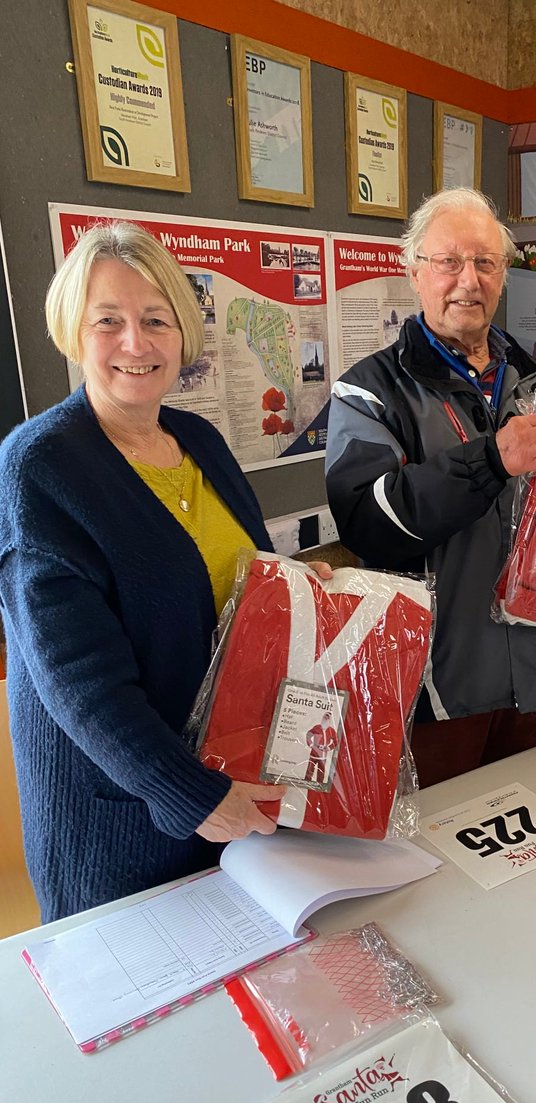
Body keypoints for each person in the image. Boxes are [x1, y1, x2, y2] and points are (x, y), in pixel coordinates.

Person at [0, 221, 329, 922]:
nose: (136, 344)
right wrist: (187, 792)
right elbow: (78, 681)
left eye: (156, 320)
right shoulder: (40, 466)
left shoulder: (199, 439)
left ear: (183, 330)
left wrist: (302, 595)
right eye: (108, 321)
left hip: (229, 788)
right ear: (72, 331)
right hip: (123, 819)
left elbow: (241, 579)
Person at [324, 187, 536, 787]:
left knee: (528, 842)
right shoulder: (368, 391)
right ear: (413, 272)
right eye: (448, 262)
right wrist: (492, 458)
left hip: (533, 673)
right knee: (440, 857)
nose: (468, 279)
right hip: (433, 687)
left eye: (485, 262)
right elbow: (372, 524)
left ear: (503, 275)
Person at [305, 710, 338, 784]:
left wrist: (329, 747)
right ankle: (306, 784)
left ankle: (319, 787)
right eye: (325, 717)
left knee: (321, 774)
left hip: (323, 756)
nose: (325, 718)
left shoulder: (331, 731)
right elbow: (308, 735)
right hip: (314, 754)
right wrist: (311, 744)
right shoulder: (317, 727)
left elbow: (336, 741)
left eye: (327, 717)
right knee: (309, 772)